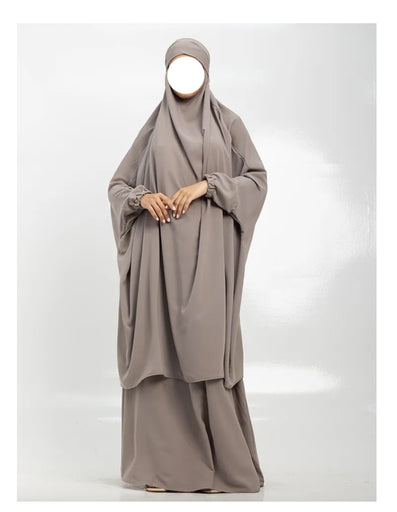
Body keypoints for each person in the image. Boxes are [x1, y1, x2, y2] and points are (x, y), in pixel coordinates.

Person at [107, 37, 268, 493]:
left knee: (205, 348)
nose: (184, 77)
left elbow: (256, 181)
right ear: (164, 74)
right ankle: (159, 468)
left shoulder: (228, 123)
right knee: (157, 354)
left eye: (193, 68)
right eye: (175, 68)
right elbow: (118, 185)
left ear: (207, 73)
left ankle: (216, 467)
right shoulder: (153, 128)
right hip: (156, 258)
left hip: (208, 257)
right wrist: (142, 198)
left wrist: (207, 187)